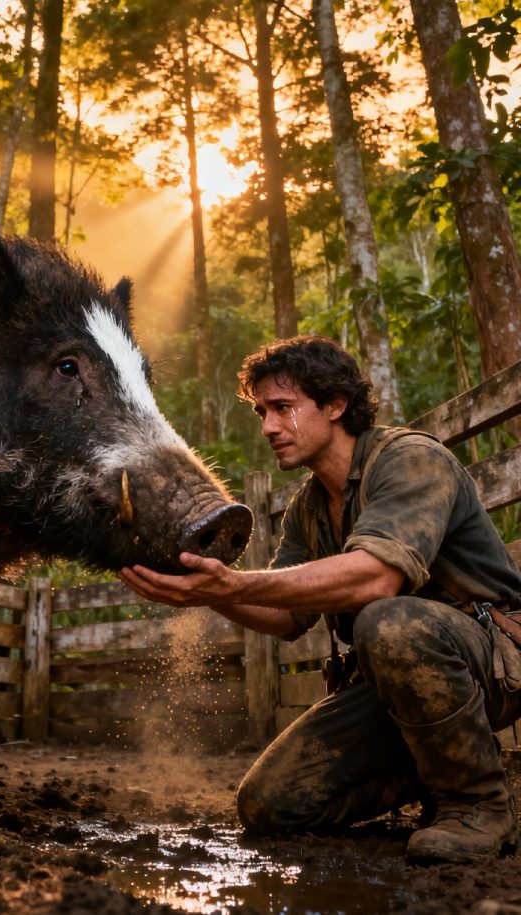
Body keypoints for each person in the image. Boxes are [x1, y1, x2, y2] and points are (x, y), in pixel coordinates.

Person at [118, 335, 521, 864]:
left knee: (389, 621)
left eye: (284, 409)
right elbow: (285, 617)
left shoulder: (411, 459)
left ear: (336, 405)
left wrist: (232, 584)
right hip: (400, 686)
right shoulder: (309, 506)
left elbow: (375, 578)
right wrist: (200, 589)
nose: (267, 427)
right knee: (269, 806)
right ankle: (441, 769)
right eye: (262, 411)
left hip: (496, 661)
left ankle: (478, 806)